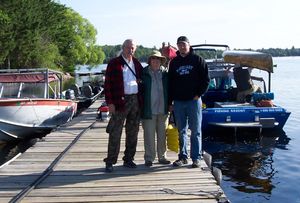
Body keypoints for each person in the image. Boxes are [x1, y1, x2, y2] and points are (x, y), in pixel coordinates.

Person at [168, 36, 210, 168]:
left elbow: (206, 79)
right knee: (181, 130)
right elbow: (170, 83)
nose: (181, 47)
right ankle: (183, 156)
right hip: (179, 102)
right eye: (179, 45)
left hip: (194, 101)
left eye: (183, 44)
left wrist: (199, 94)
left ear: (189, 45)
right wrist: (170, 102)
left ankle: (196, 158)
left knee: (196, 130)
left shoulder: (198, 60)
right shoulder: (174, 62)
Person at [103, 39, 143, 172]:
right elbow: (107, 85)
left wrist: (140, 82)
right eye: (128, 48)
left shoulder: (137, 63)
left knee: (133, 131)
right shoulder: (114, 63)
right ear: (123, 48)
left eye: (132, 48)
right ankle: (110, 161)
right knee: (115, 131)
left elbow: (142, 81)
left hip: (135, 100)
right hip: (120, 100)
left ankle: (128, 159)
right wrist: (110, 103)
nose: (130, 50)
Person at [141, 50, 170, 167]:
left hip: (163, 109)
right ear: (150, 61)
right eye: (153, 59)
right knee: (149, 135)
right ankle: (149, 158)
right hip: (148, 110)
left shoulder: (166, 73)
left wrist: (170, 103)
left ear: (161, 61)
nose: (156, 61)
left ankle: (162, 157)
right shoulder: (143, 73)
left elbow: (171, 90)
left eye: (158, 59)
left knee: (163, 135)